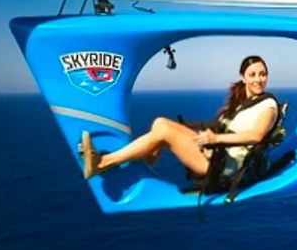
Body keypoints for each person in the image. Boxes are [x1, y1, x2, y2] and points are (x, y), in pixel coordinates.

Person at [80, 55, 278, 180]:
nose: (258, 79)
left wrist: (215, 139)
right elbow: (218, 124)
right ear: (243, 77)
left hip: (226, 167)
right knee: (161, 123)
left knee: (164, 130)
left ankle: (103, 163)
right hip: (215, 154)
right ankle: (136, 165)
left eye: (262, 74)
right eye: (252, 75)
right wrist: (191, 125)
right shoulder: (241, 105)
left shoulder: (268, 105)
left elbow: (256, 135)